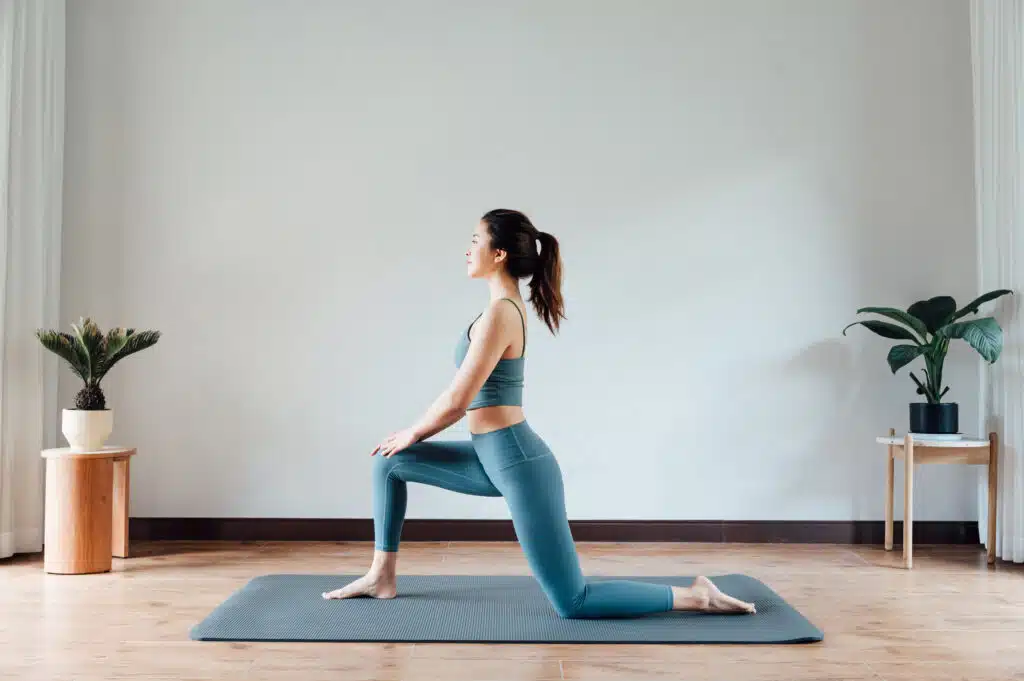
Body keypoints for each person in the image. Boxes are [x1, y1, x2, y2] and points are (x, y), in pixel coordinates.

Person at [322, 208, 756, 618]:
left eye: (475, 240)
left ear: (499, 254)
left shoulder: (501, 314)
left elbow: (459, 399)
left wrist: (413, 431)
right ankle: (381, 576)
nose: (467, 248)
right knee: (390, 463)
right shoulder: (499, 310)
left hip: (518, 464)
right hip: (491, 455)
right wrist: (406, 439)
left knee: (573, 601)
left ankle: (696, 596)